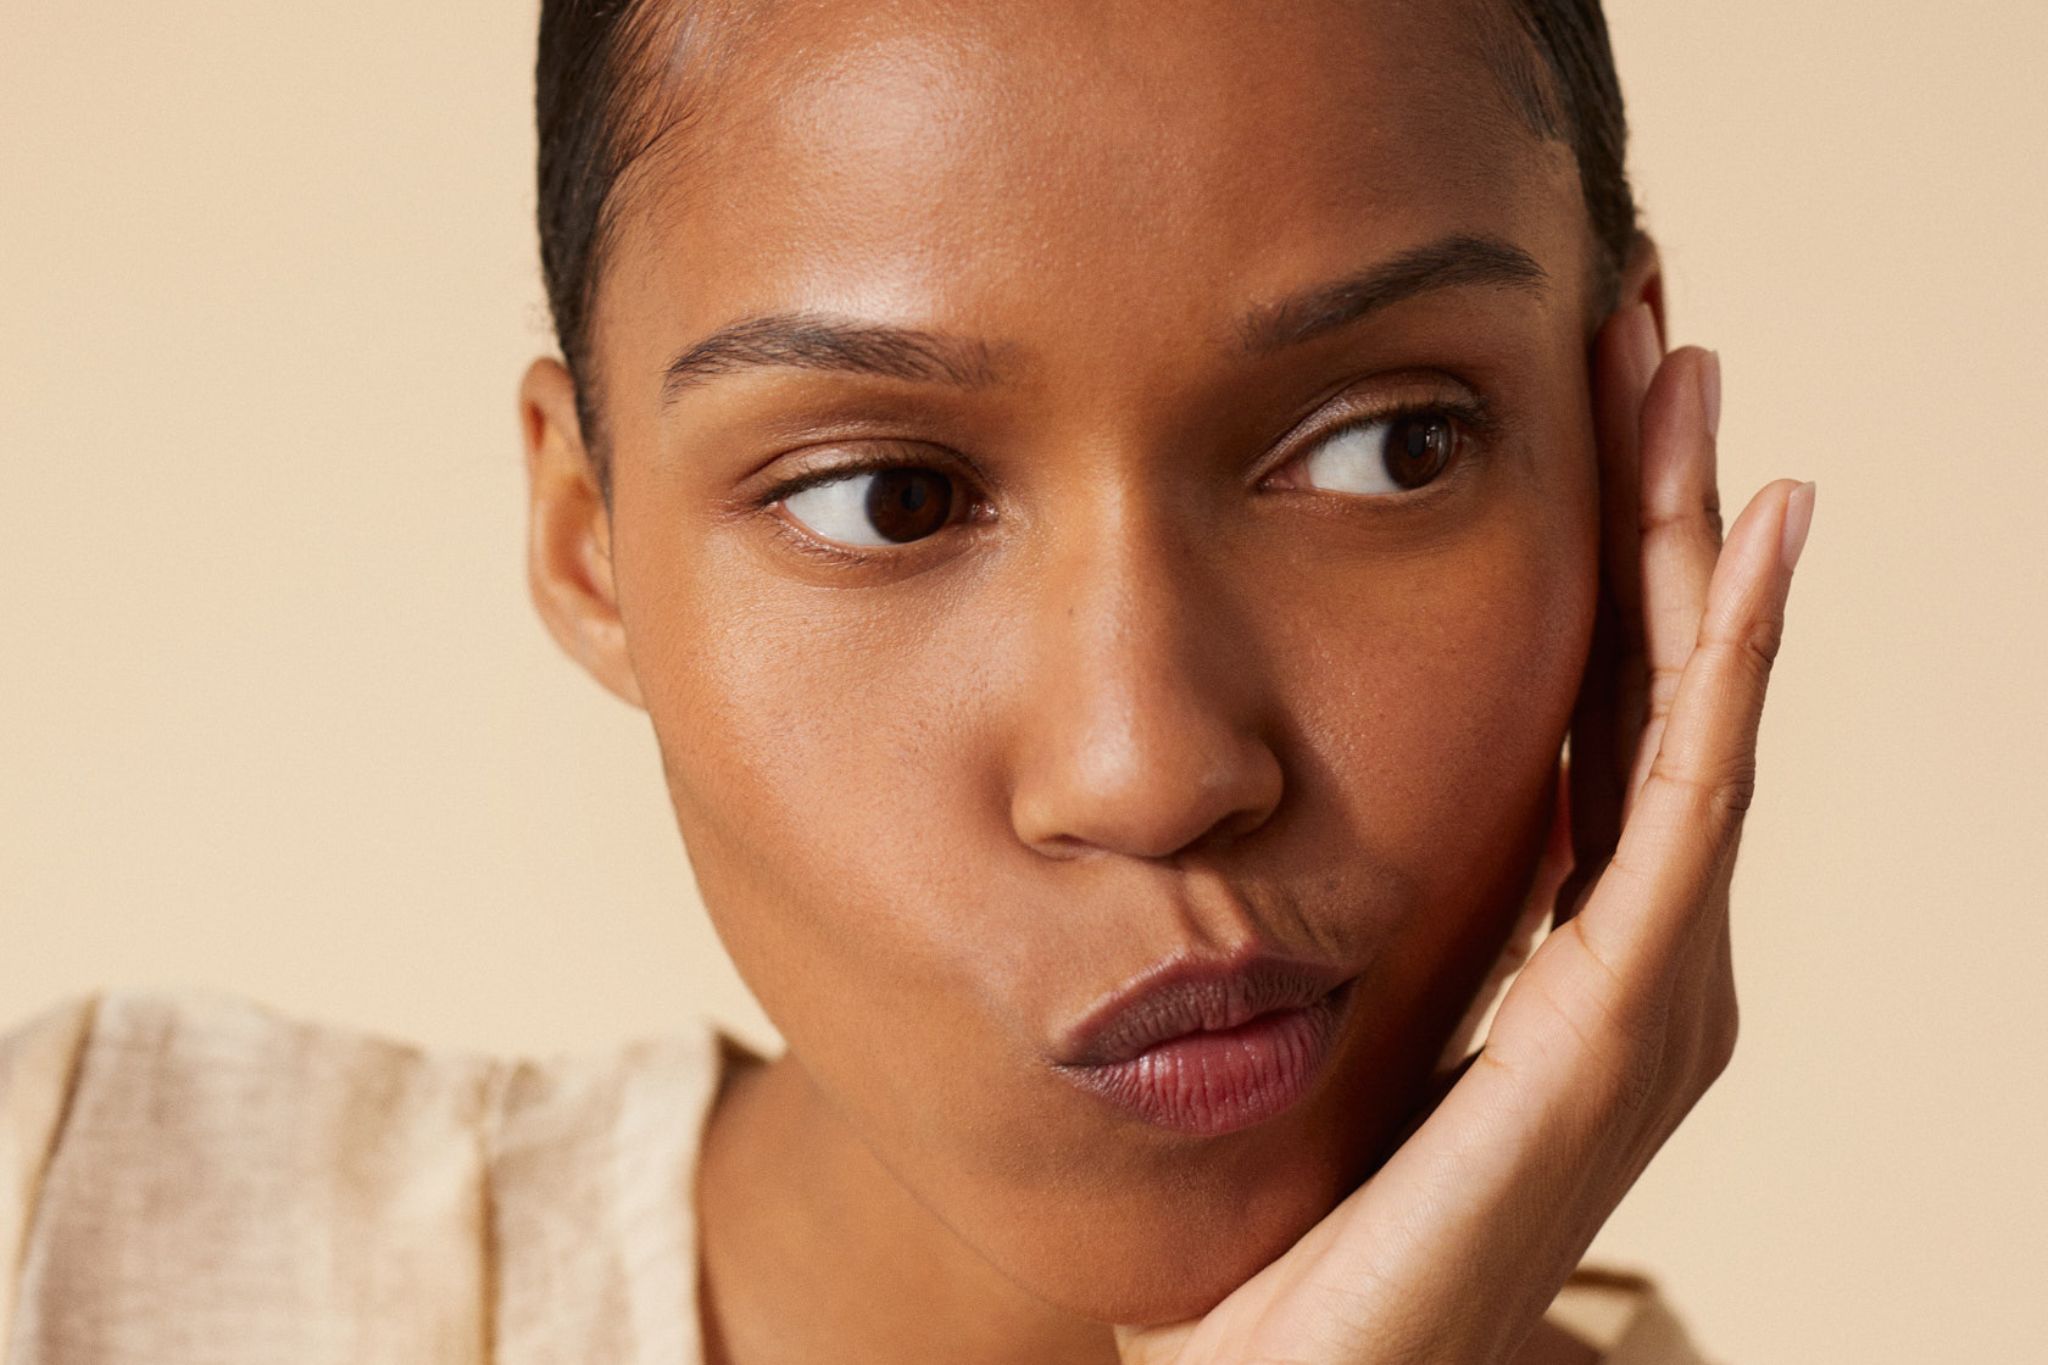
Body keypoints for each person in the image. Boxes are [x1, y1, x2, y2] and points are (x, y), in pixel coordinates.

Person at [0, 0, 1814, 1360]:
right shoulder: (79, 1237)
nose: (1147, 765)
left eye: (1391, 447)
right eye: (893, 498)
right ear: (588, 541)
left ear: (1617, 436)